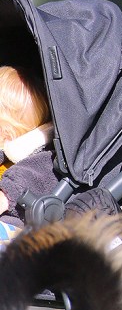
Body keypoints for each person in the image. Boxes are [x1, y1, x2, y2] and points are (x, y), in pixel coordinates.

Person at [0, 64, 55, 234]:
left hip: (12, 229)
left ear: (7, 133)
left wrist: (6, 194)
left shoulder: (37, 159)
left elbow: (32, 176)